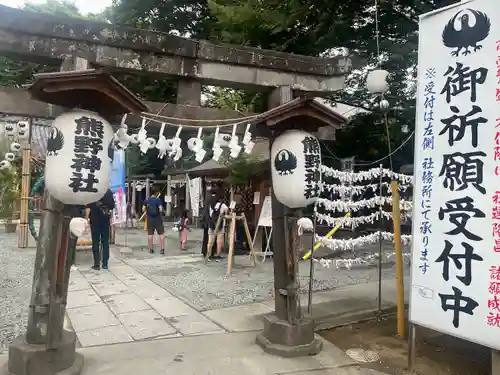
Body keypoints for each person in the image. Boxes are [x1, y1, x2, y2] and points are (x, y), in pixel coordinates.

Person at [85, 189, 115, 270]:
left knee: (95, 242)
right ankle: (105, 264)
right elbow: (112, 206)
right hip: (105, 220)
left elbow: (88, 208)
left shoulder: (92, 191)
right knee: (105, 242)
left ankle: (97, 264)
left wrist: (86, 219)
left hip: (94, 221)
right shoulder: (108, 191)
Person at [207, 193, 228, 261]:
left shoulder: (210, 206)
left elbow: (210, 215)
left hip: (211, 225)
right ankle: (218, 256)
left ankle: (209, 255)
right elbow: (227, 211)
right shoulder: (222, 205)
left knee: (210, 241)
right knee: (219, 241)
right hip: (220, 225)